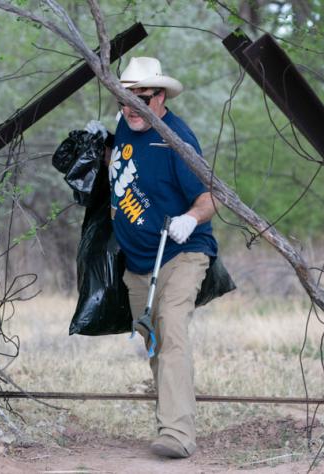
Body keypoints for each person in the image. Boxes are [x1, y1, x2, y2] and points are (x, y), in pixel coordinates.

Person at [87, 56, 218, 459]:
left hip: (182, 253)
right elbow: (126, 165)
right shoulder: (127, 123)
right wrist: (100, 150)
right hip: (138, 263)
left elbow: (211, 196)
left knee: (172, 328)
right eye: (125, 98)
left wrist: (189, 219)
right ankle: (170, 420)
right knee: (154, 342)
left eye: (141, 98)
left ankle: (177, 435)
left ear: (160, 97)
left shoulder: (177, 139)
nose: (131, 107)